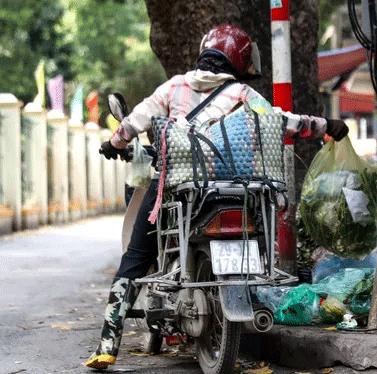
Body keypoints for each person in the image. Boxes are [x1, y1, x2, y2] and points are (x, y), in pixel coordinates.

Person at [85, 24, 348, 369]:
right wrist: (325, 126)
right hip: (238, 189)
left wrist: (113, 142)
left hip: (179, 188)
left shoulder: (175, 85)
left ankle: (108, 344)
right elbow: (279, 122)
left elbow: (136, 121)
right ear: (238, 60)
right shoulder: (241, 93)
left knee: (135, 258)